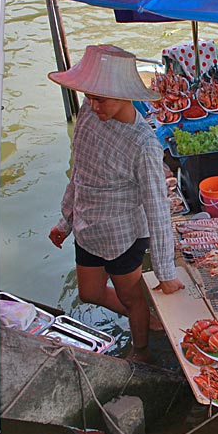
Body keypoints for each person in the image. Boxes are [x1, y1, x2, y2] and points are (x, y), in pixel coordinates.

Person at [47, 44, 184, 363]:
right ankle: (148, 319)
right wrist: (65, 221)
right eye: (89, 97)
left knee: (131, 295)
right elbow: (79, 170)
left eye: (99, 98)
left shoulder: (143, 144)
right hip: (88, 225)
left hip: (124, 236)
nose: (92, 105)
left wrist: (165, 271)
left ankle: (141, 350)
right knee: (89, 293)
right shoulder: (88, 113)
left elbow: (158, 211)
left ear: (124, 95)